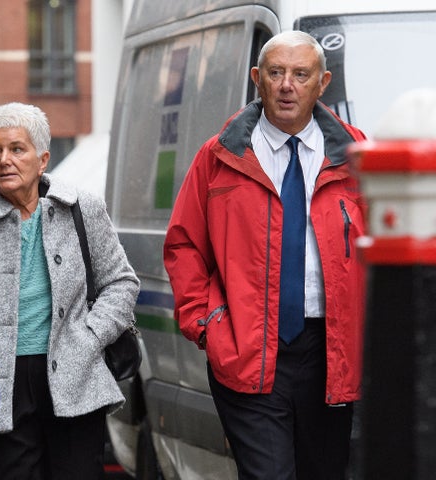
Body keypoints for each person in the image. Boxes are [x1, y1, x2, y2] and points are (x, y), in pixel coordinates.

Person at [163, 31, 366, 479]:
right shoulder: (219, 157)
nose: (286, 85)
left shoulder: (356, 157)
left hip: (331, 353)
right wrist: (208, 324)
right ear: (258, 79)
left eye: (300, 74)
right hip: (247, 348)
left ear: (322, 83)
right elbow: (184, 245)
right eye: (275, 73)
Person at [0, 102, 140, 480]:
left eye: (16, 149)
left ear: (42, 159)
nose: (4, 160)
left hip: (74, 372)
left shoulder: (82, 207)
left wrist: (90, 336)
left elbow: (121, 282)